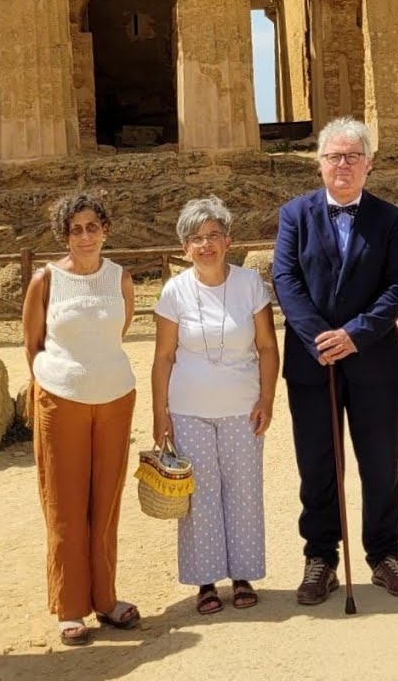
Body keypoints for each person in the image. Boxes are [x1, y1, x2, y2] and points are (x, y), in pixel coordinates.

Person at [273, 116, 398, 604]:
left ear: (369, 164)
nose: (343, 165)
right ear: (319, 165)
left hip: (374, 358)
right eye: (334, 157)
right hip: (313, 361)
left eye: (353, 157)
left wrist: (355, 335)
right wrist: (322, 338)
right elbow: (286, 281)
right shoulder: (295, 215)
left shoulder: (389, 218)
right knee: (317, 464)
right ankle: (320, 557)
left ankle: (384, 554)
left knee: (380, 462)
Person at [21, 193, 139, 645]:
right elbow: (33, 343)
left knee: (105, 503)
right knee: (65, 505)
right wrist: (47, 388)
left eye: (92, 226)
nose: (85, 236)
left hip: (114, 398)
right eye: (75, 229)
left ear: (105, 229)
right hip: (61, 398)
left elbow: (117, 332)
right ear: (64, 235)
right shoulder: (45, 280)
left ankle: (105, 598)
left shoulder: (121, 278)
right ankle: (70, 607)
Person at [152, 196, 279, 614]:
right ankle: (206, 582)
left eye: (213, 236)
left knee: (243, 492)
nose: (205, 245)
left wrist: (267, 398)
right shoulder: (174, 291)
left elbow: (266, 346)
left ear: (228, 241)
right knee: (199, 496)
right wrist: (160, 414)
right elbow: (164, 356)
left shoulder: (249, 285)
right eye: (196, 239)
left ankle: (241, 575)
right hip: (188, 408)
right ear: (184, 248)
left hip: (243, 407)